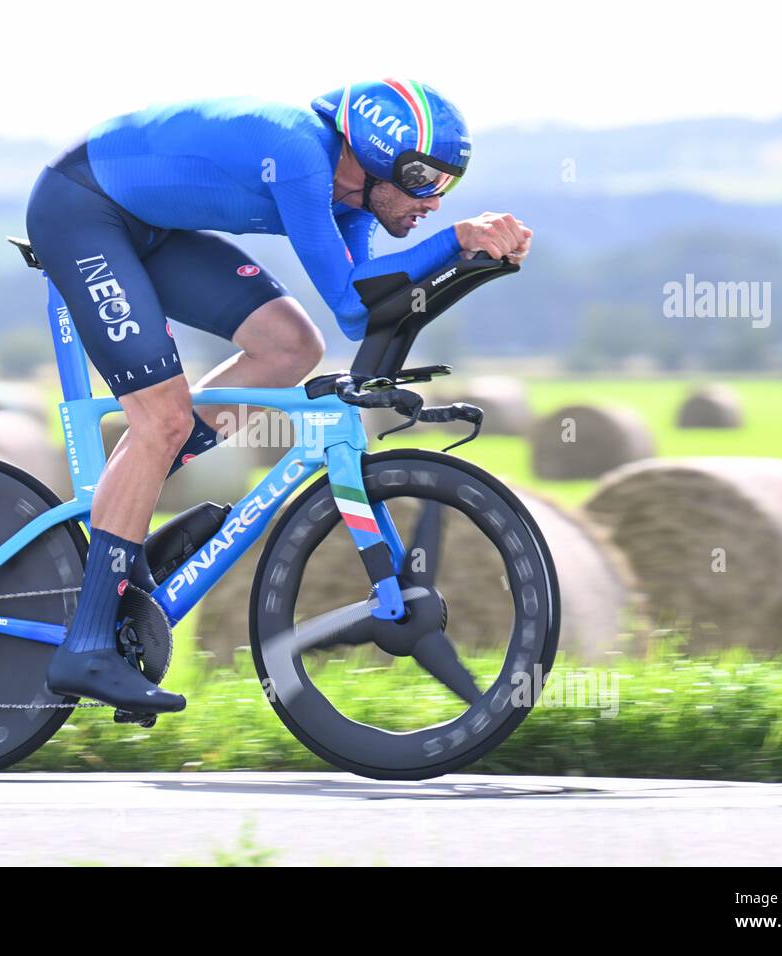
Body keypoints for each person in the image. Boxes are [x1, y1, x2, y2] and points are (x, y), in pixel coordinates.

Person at [26, 79, 532, 715]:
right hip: (83, 210)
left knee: (292, 345)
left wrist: (471, 263)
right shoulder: (301, 157)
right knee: (161, 420)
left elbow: (357, 315)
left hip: (147, 227)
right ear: (379, 157)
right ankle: (88, 645)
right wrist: (458, 239)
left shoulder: (351, 202)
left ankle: (129, 509)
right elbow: (355, 298)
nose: (433, 200)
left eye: (446, 186)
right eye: (426, 179)